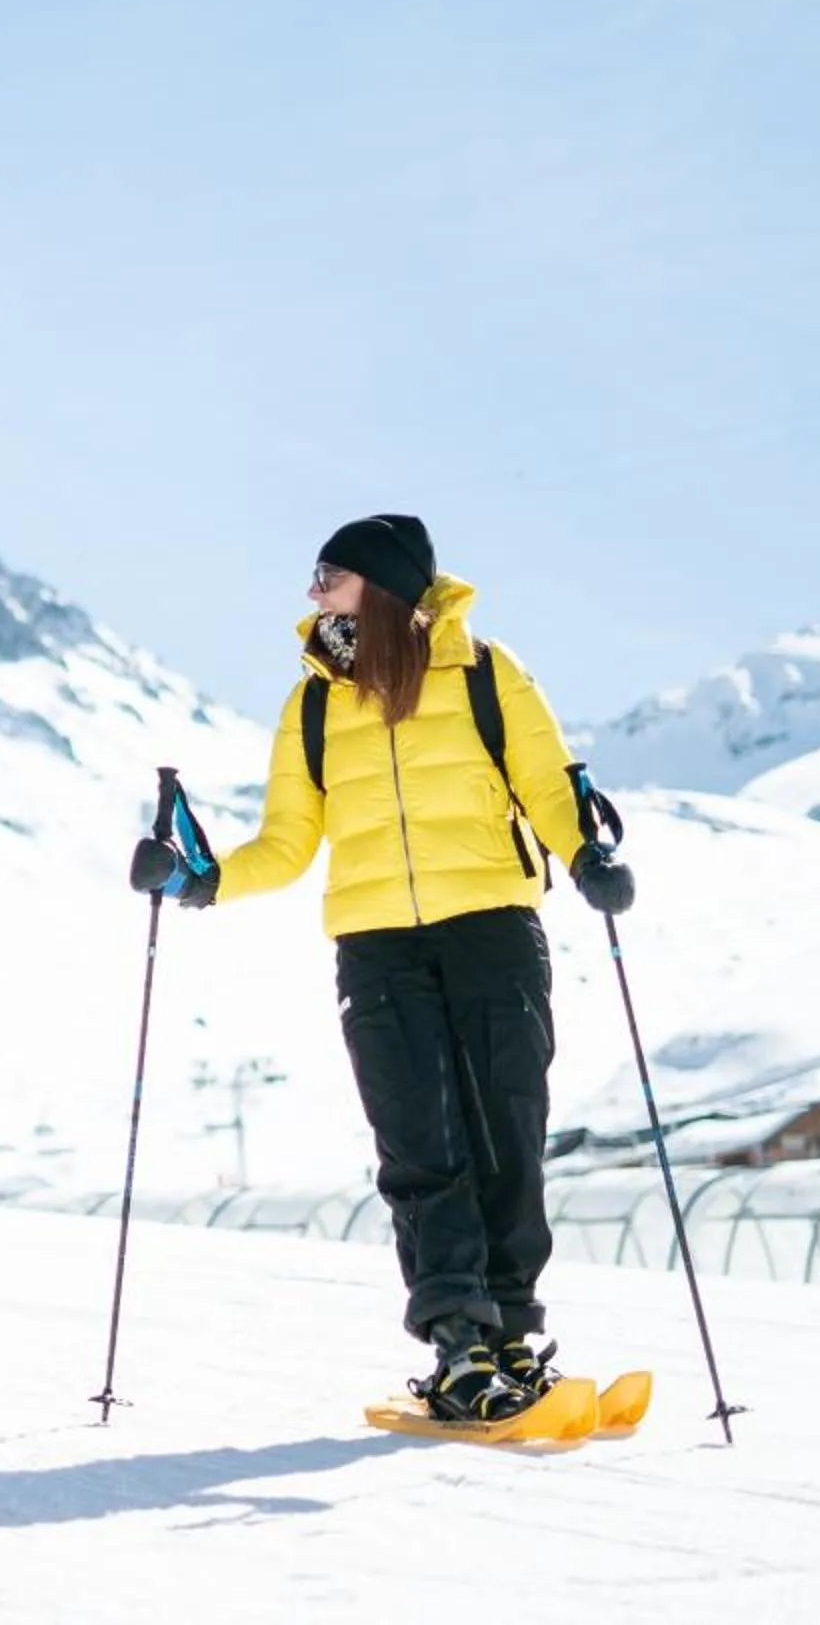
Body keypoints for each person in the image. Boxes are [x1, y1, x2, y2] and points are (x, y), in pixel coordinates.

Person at [131, 514, 635, 1422]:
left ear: (383, 583)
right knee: (418, 1146)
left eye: (329, 574)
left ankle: (510, 1338)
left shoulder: (488, 673)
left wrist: (587, 856)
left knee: (505, 1135)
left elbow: (552, 787)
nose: (312, 592)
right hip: (376, 944)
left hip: (493, 926)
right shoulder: (316, 703)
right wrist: (198, 880)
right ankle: (457, 1346)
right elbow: (287, 845)